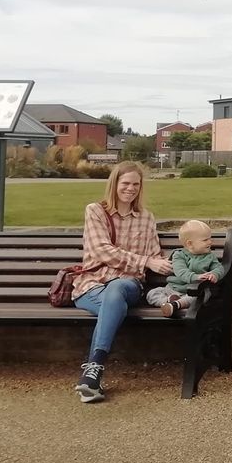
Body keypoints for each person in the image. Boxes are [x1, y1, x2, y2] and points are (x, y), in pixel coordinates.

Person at [71, 161, 171, 404]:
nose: (130, 189)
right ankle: (91, 379)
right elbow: (101, 250)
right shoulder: (95, 211)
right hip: (91, 286)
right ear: (114, 184)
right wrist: (143, 260)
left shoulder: (146, 218)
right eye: (125, 183)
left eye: (136, 184)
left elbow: (154, 256)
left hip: (128, 285)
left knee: (117, 289)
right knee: (112, 303)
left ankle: (93, 368)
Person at [144, 220, 224, 317]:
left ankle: (176, 304)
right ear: (190, 244)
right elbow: (180, 271)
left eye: (210, 238)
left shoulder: (209, 256)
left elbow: (219, 268)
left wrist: (215, 274)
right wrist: (195, 277)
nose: (210, 242)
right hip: (172, 289)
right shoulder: (178, 255)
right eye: (205, 240)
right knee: (152, 293)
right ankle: (168, 302)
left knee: (199, 298)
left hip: (193, 291)